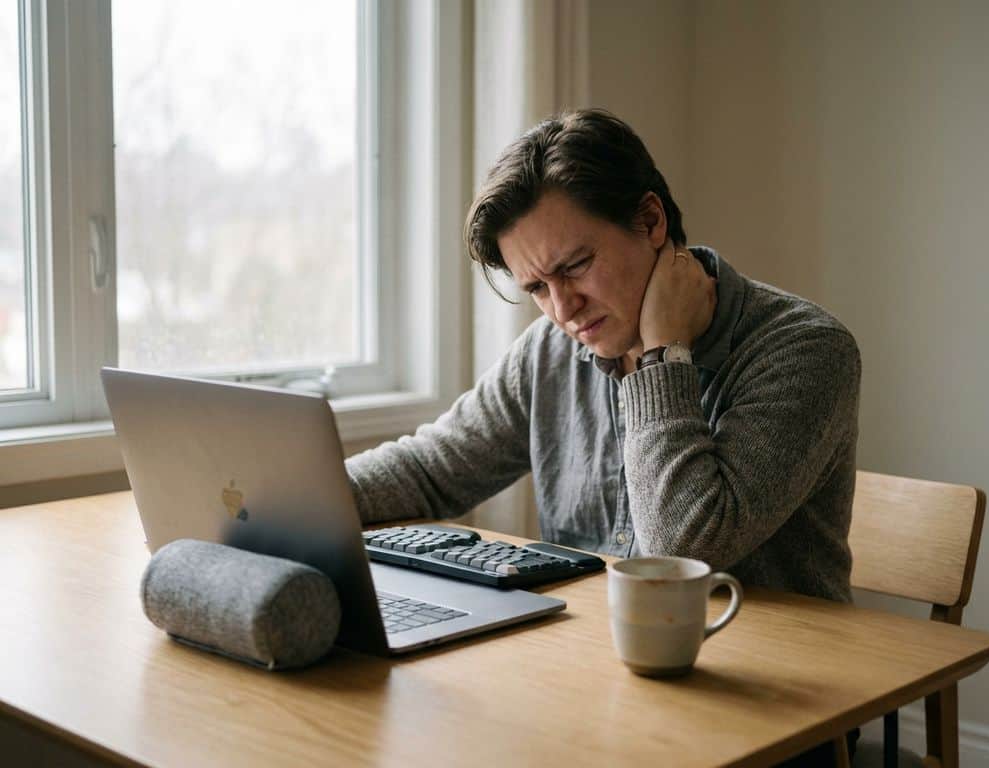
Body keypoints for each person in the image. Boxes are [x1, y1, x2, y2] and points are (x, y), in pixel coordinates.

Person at [346, 108, 861, 604]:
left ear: (651, 220)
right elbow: (429, 471)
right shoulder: (550, 352)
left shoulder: (805, 350)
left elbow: (679, 551)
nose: (563, 309)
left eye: (575, 265)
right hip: (595, 655)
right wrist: (302, 497)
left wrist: (662, 356)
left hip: (767, 661)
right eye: (537, 288)